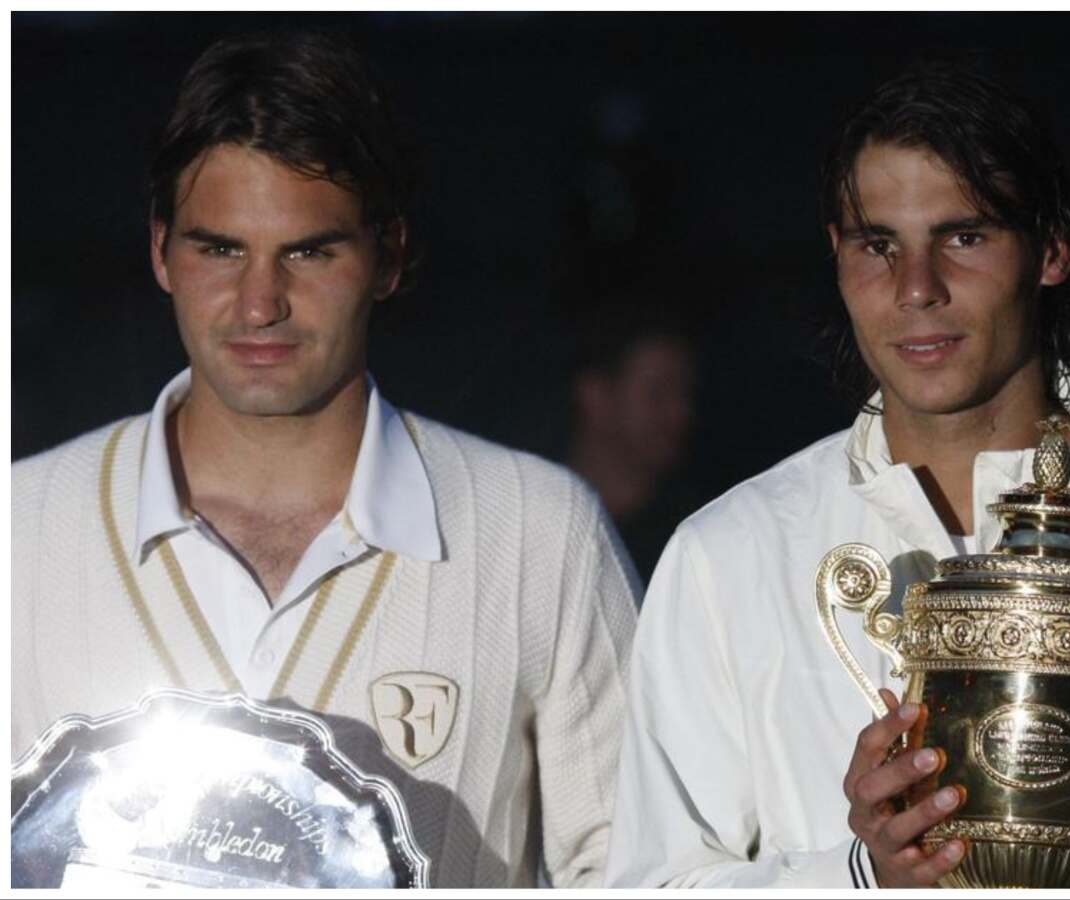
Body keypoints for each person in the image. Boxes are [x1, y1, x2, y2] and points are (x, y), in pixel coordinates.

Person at [10, 30, 638, 888]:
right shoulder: (23, 524)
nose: (260, 302)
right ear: (161, 251)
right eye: (219, 248)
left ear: (389, 256)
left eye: (310, 250)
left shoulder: (538, 530)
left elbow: (637, 874)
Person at [604, 63, 1070, 889]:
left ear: (1053, 249)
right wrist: (860, 878)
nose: (916, 290)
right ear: (836, 258)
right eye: (878, 245)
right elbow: (652, 885)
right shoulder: (728, 555)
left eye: (964, 236)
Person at [567, 290, 700, 586]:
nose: (679, 413)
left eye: (683, 393)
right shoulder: (539, 514)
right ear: (594, 395)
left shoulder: (688, 538)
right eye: (657, 394)